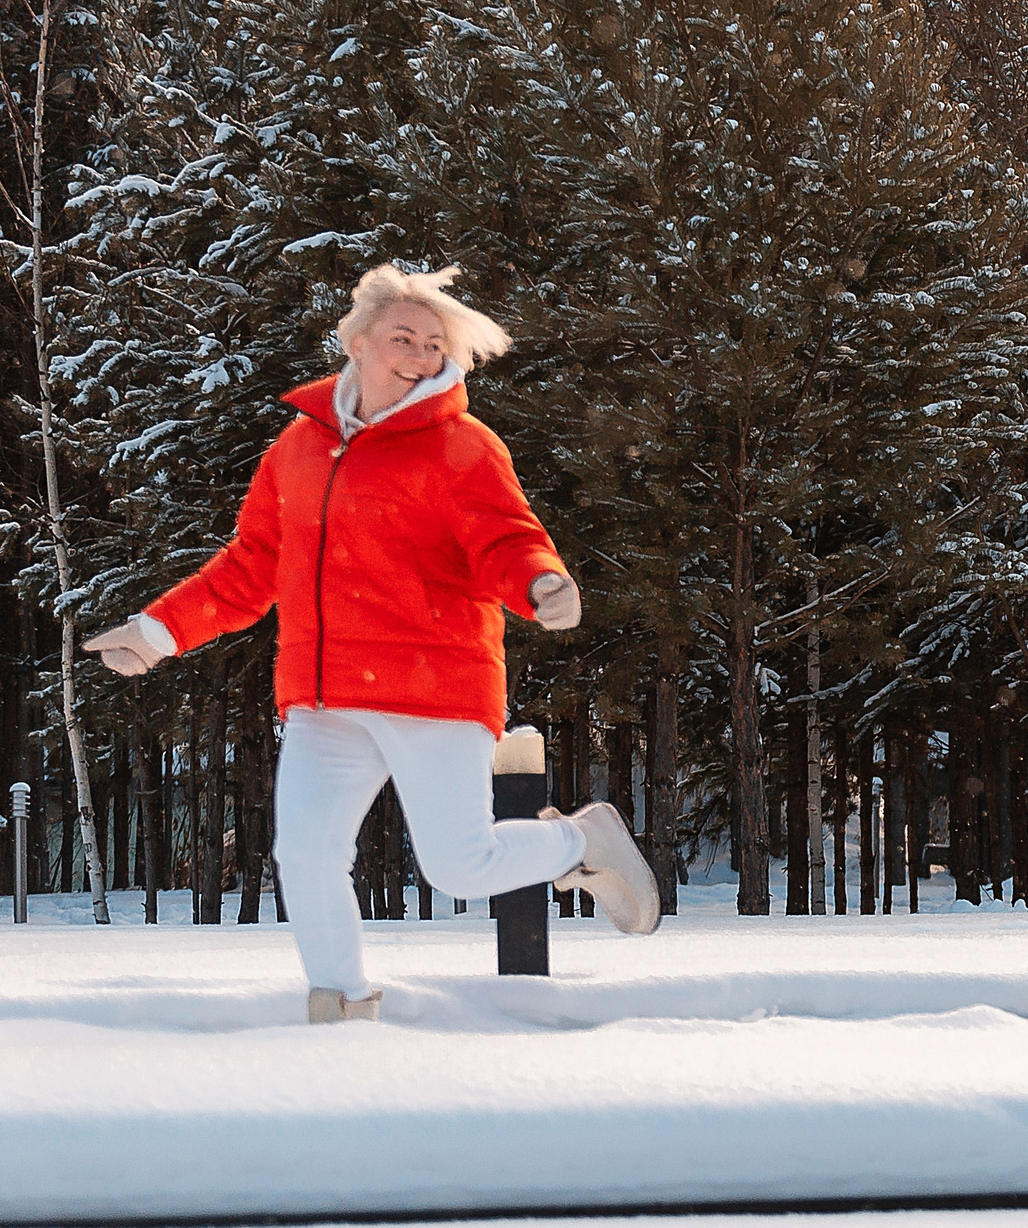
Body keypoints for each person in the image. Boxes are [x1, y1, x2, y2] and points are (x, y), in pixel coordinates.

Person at [85, 264, 659, 1023]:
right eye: (403, 338)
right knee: (306, 852)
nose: (421, 355)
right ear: (356, 342)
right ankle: (343, 1004)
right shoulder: (298, 448)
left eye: (432, 343)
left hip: (435, 684)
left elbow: (505, 537)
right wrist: (158, 631)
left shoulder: (462, 445)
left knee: (459, 864)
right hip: (327, 696)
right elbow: (252, 565)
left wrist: (539, 582)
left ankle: (580, 841)